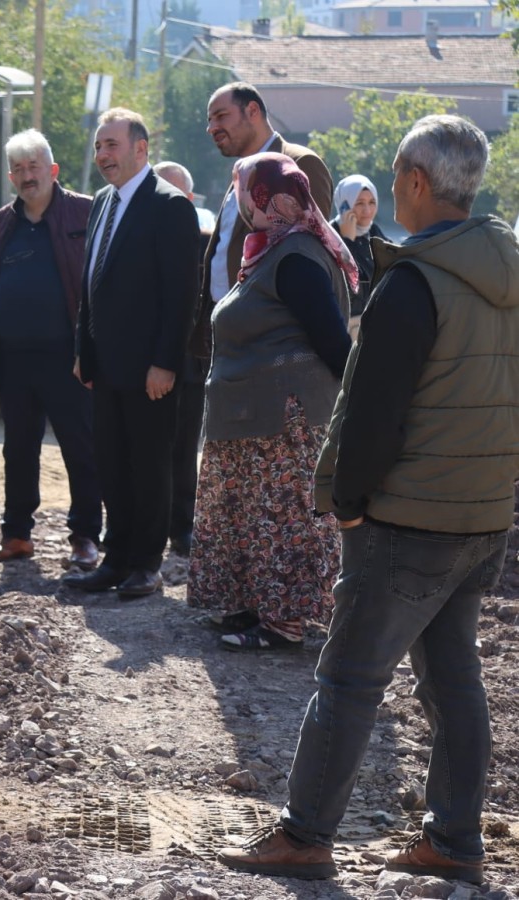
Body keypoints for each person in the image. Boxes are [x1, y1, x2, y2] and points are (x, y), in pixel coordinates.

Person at [218, 114, 519, 884]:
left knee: (348, 679)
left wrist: (348, 501)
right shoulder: (505, 271)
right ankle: (453, 841)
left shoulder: (414, 281)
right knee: (453, 680)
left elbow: (374, 409)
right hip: (481, 514)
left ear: (417, 184)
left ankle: (305, 834)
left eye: (395, 176)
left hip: (407, 516)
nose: (390, 190)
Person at [186, 153, 354, 651]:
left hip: (282, 422)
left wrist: (359, 401)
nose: (239, 203)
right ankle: (254, 606)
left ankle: (284, 622)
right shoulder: (270, 248)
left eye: (243, 192)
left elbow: (330, 338)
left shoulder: (296, 255)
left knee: (283, 520)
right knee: (252, 517)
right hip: (252, 419)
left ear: (266, 198)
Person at [63, 109, 199, 599]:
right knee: (112, 464)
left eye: (112, 145)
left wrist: (165, 362)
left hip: (150, 371)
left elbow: (182, 295)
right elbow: (91, 283)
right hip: (106, 365)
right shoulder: (102, 202)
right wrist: (84, 349)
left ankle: (146, 563)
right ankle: (116, 557)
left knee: (149, 466)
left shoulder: (169, 206)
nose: (103, 155)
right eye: (99, 146)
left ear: (141, 149)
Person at [0, 129, 101, 570]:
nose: (28, 176)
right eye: (20, 169)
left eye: (35, 167)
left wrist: (93, 351)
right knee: (17, 449)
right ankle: (16, 535)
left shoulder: (85, 212)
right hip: (14, 360)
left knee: (79, 448)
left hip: (70, 358)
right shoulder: (0, 224)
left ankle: (85, 537)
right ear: (11, 176)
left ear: (53, 170)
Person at [195, 83, 333, 366]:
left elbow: (306, 252)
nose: (211, 128)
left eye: (221, 116)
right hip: (229, 335)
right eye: (209, 120)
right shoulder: (244, 169)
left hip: (268, 344)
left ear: (253, 111)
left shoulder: (298, 163)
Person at [153, 160, 210, 558]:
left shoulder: (207, 240)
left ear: (189, 200)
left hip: (190, 361)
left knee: (184, 447)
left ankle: (182, 525)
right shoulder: (136, 239)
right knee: (144, 449)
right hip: (144, 362)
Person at [333, 174, 386, 330]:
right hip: (347, 326)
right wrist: (347, 241)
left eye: (372, 202)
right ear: (345, 205)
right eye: (359, 203)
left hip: (375, 321)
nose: (367, 210)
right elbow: (344, 281)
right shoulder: (331, 234)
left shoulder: (375, 232)